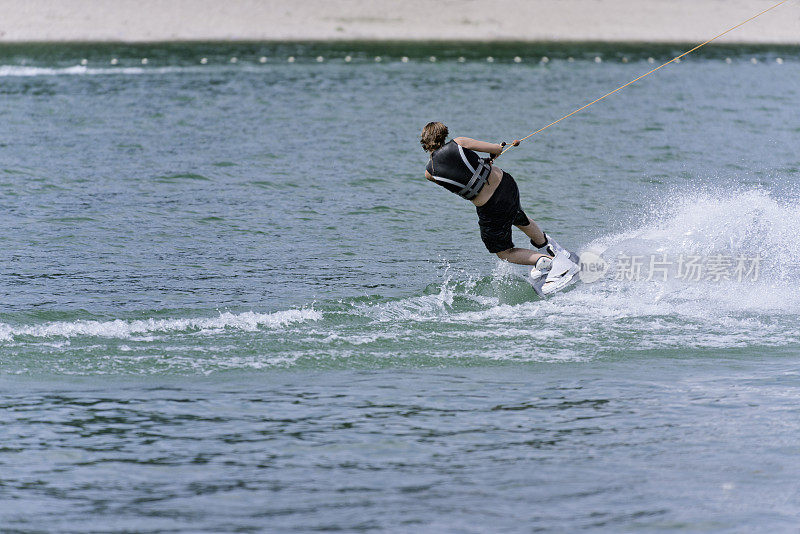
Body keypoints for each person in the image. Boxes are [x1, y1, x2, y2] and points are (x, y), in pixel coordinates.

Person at [420, 121, 579, 295]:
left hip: (491, 206)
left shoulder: (430, 172)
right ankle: (553, 249)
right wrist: (495, 152)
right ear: (444, 134)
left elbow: (456, 173)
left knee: (504, 253)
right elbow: (496, 149)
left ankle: (555, 264)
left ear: (425, 143)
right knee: (518, 217)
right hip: (506, 184)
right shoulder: (459, 142)